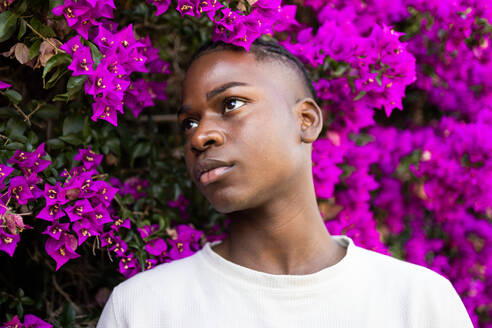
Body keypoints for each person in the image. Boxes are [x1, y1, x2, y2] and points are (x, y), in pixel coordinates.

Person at [96, 39, 474, 327]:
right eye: (188, 123)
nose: (200, 137)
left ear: (306, 121)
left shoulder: (418, 302)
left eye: (230, 104)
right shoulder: (144, 308)